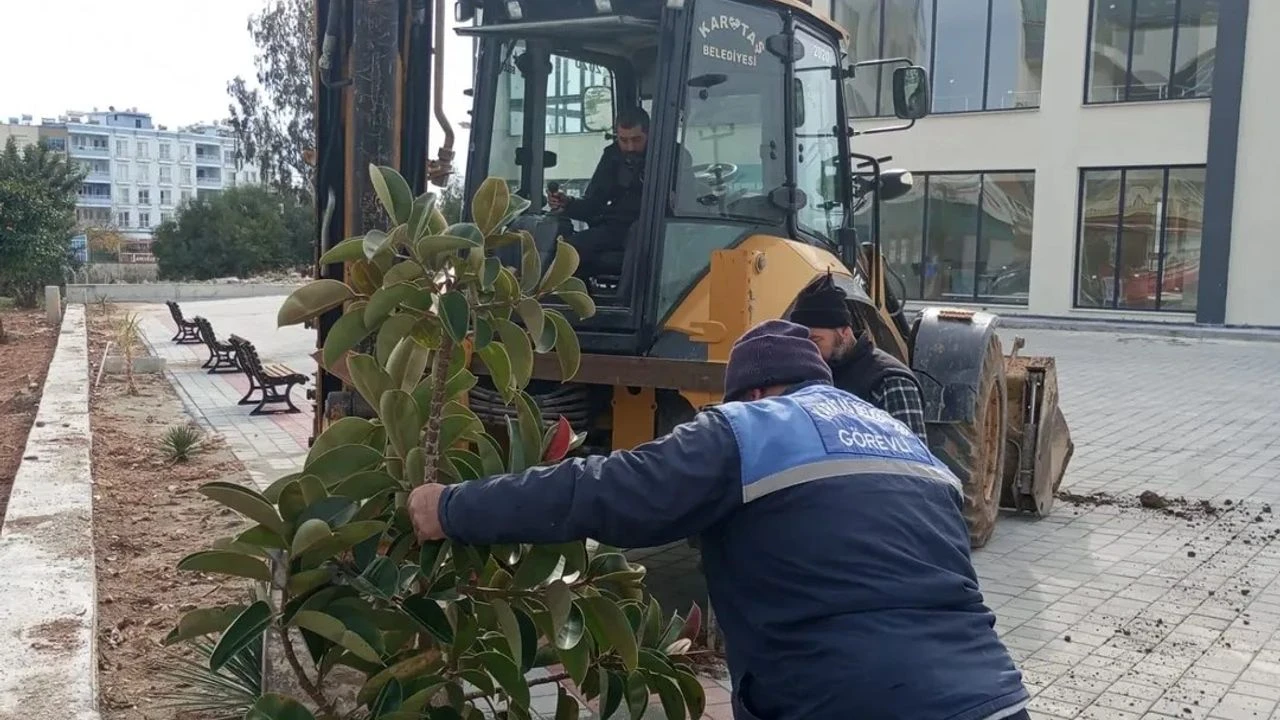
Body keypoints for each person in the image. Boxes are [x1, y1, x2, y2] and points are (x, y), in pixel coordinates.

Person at [408, 320, 1030, 720]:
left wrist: (451, 506)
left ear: (752, 393)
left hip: (851, 700)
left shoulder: (749, 428)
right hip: (994, 697)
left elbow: (599, 490)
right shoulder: (907, 444)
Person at [790, 274, 929, 443]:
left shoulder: (890, 382)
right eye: (801, 341)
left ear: (844, 333)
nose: (807, 349)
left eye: (815, 340)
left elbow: (912, 453)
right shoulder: (804, 378)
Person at [548, 106, 652, 280]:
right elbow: (594, 202)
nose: (630, 147)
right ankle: (579, 296)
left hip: (651, 230)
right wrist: (568, 203)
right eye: (623, 140)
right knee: (567, 252)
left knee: (636, 243)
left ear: (649, 135)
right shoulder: (612, 156)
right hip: (614, 229)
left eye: (636, 140)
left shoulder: (671, 156)